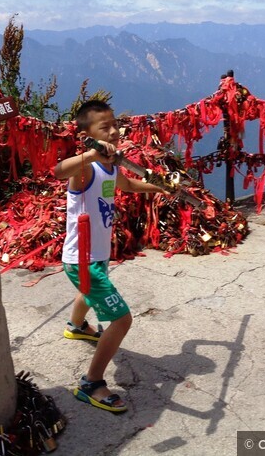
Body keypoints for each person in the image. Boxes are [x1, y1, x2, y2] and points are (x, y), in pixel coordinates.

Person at [53, 99, 166, 413]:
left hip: (97, 254)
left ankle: (76, 327)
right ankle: (91, 383)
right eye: (105, 127)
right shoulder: (85, 167)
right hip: (82, 259)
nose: (115, 131)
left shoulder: (110, 164)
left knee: (89, 292)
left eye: (115, 123)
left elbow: (127, 184)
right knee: (121, 319)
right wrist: (90, 154)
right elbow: (58, 170)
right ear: (87, 134)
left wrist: (158, 188)